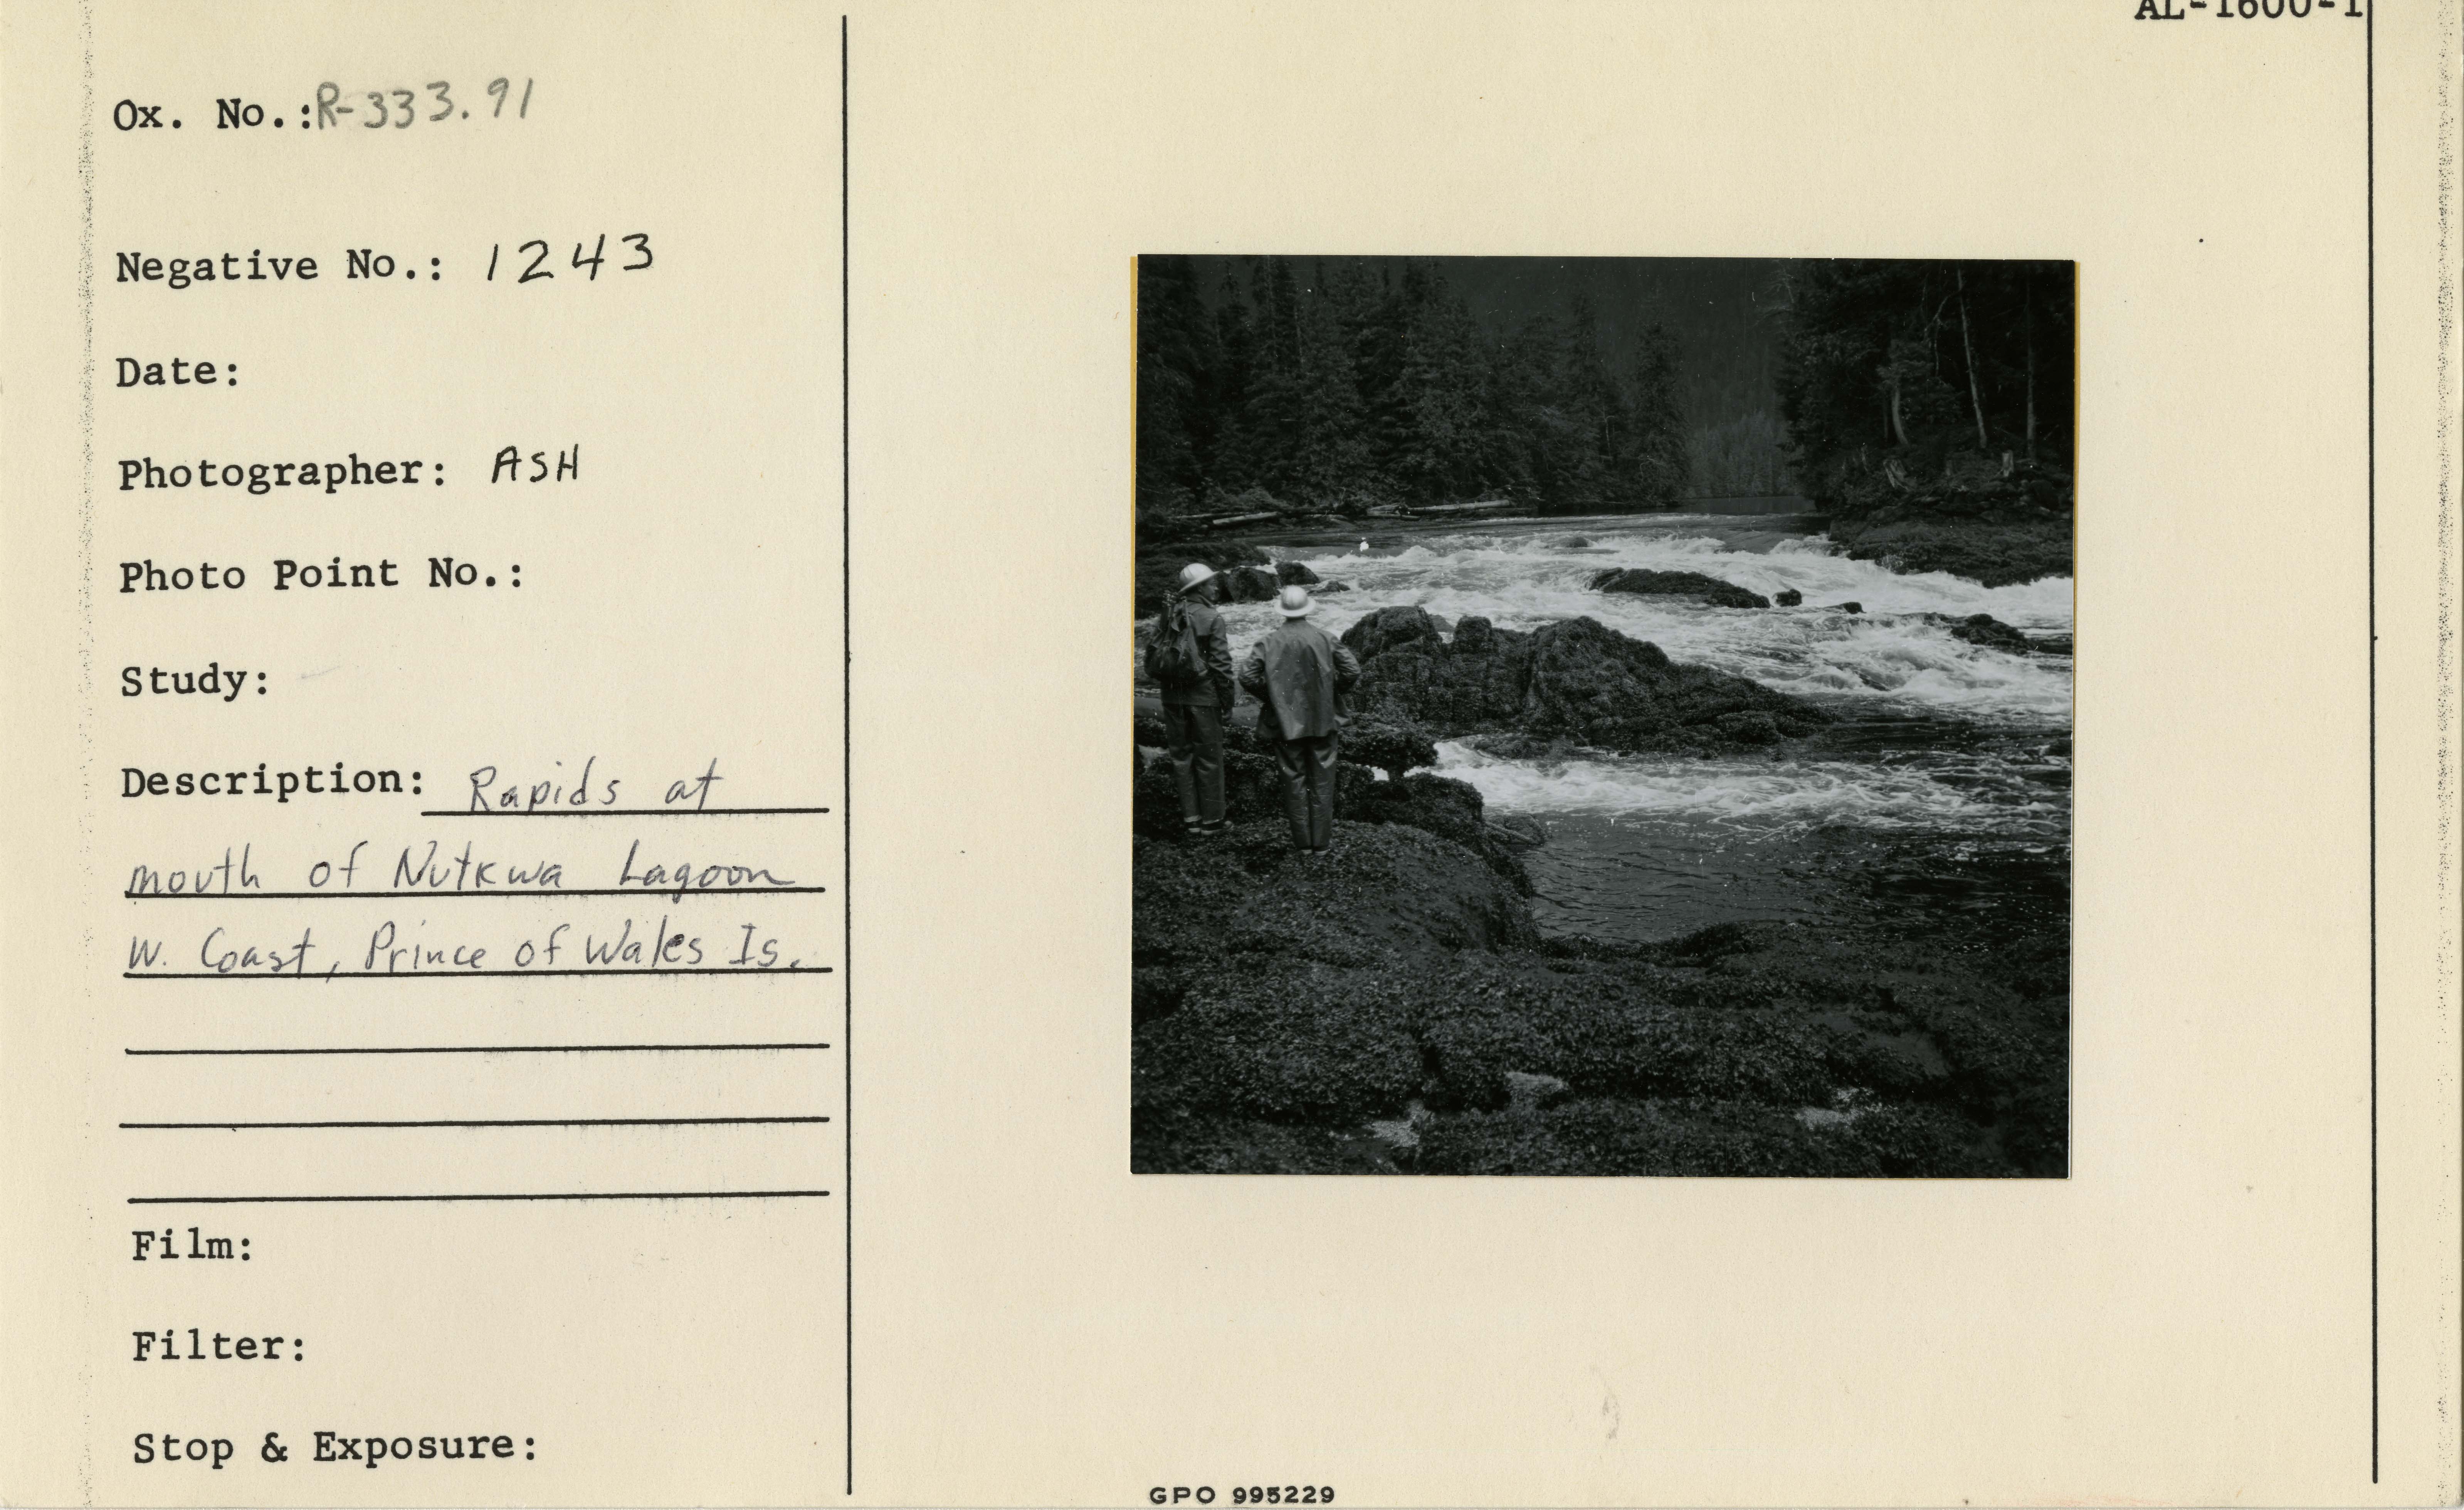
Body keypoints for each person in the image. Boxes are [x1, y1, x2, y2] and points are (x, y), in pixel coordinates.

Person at [1238, 585, 1361, 853]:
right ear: (1307, 609)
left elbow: (1246, 676)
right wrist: (1331, 693)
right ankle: (1322, 845)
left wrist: (1274, 697)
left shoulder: (1268, 641)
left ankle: (1303, 845)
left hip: (1285, 722)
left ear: (1282, 611)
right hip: (1323, 718)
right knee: (1323, 781)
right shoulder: (1325, 638)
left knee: (1293, 780)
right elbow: (1352, 671)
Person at [1154, 562, 1235, 836]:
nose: (1216, 588)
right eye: (1212, 584)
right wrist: (1227, 702)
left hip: (1171, 697)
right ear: (1200, 588)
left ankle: (1192, 819)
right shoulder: (1212, 618)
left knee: (1181, 756)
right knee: (1209, 758)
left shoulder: (1169, 613)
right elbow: (1222, 667)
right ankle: (1213, 821)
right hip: (1203, 698)